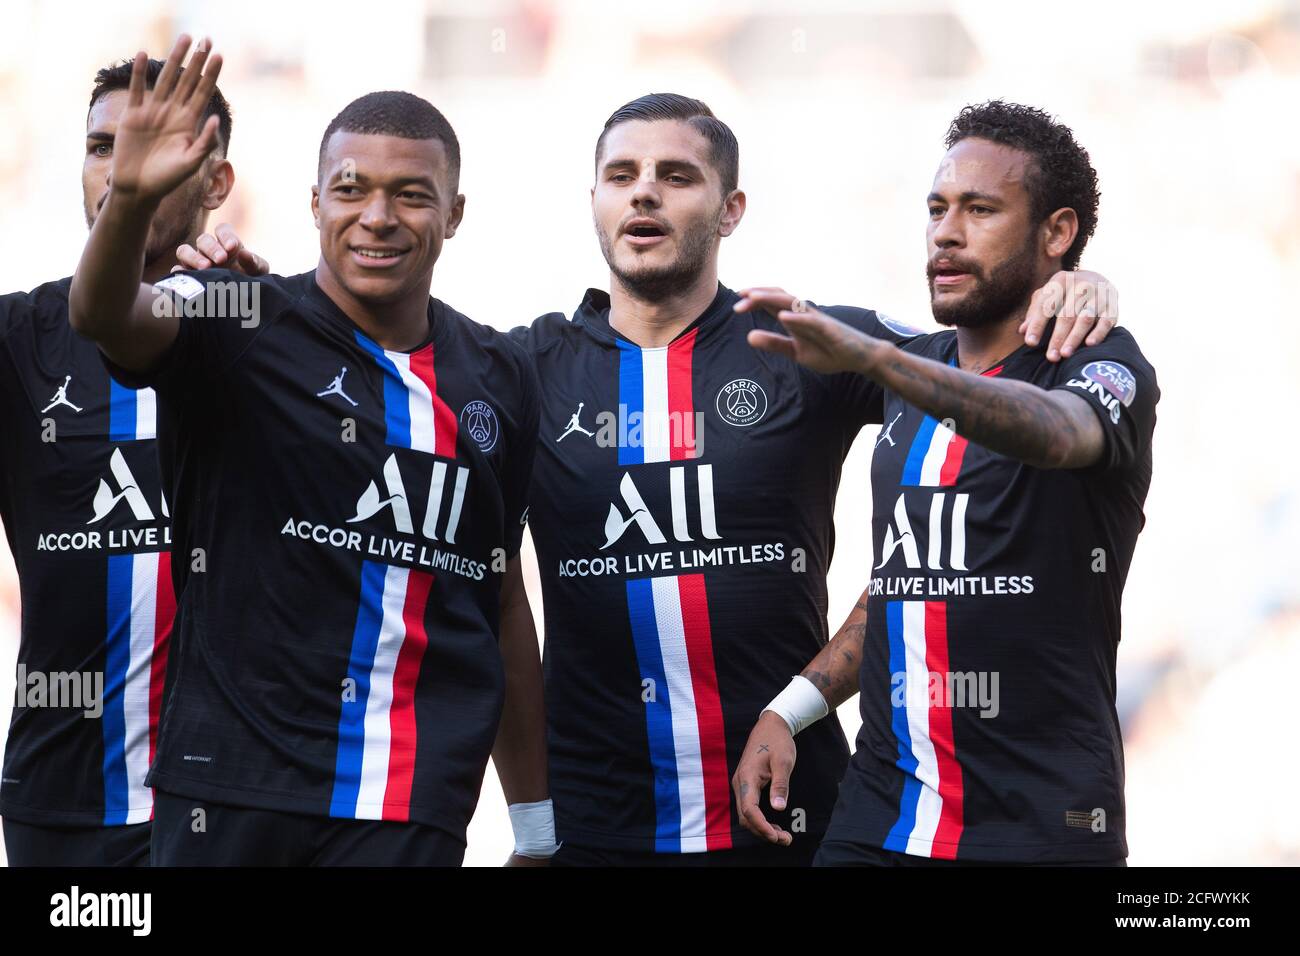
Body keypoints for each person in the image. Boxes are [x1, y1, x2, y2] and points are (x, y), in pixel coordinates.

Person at [509, 93, 1120, 865]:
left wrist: (1072, 280)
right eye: (621, 174)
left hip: (796, 817)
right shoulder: (519, 373)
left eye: (675, 175)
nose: (644, 191)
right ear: (593, 200)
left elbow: (982, 356)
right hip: (598, 825)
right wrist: (530, 827)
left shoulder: (806, 342)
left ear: (731, 209)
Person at [67, 36, 551, 866]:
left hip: (411, 805)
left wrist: (535, 819)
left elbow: (500, 595)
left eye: (411, 195)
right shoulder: (236, 317)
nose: (377, 217)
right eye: (351, 190)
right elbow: (105, 319)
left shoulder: (499, 376)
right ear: (315, 203)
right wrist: (133, 203)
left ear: (455, 214)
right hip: (230, 794)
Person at [735, 100, 1156, 866]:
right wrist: (788, 711)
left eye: (981, 209)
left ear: (1056, 232)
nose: (946, 232)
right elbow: (905, 582)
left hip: (1041, 826)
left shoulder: (1104, 364)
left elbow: (1057, 432)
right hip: (880, 818)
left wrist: (880, 362)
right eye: (936, 208)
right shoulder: (908, 364)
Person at [0, 55, 239, 866]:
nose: (123, 167)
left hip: (239, 805)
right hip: (66, 808)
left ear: (216, 182)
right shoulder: (15, 341)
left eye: (152, 144)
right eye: (104, 146)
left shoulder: (266, 326)